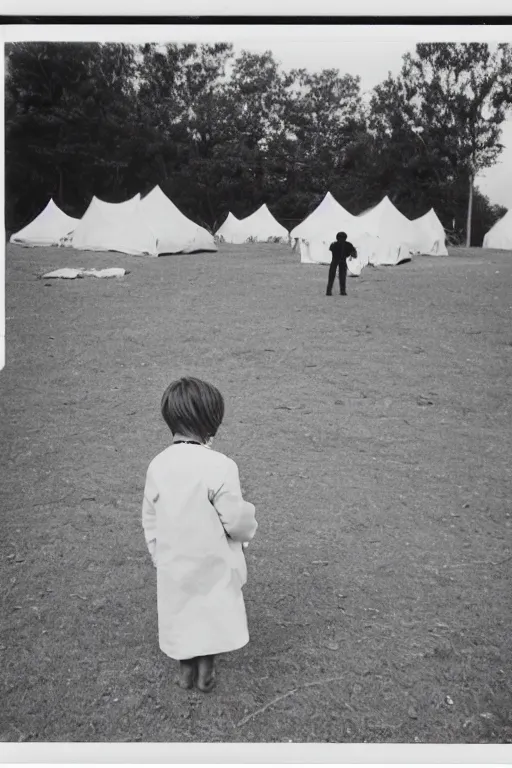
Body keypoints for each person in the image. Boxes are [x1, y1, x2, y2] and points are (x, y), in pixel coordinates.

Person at [142, 376, 258, 693]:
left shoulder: (158, 466)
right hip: (212, 559)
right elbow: (235, 518)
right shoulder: (219, 465)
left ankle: (185, 674)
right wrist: (249, 527)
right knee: (210, 613)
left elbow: (149, 516)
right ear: (210, 420)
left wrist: (157, 553)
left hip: (174, 560)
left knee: (181, 614)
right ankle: (206, 673)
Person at [326, 231, 357, 296]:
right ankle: (342, 291)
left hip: (335, 260)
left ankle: (329, 291)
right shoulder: (348, 245)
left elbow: (331, 249)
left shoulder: (334, 244)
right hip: (342, 260)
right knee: (342, 276)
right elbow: (354, 255)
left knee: (332, 276)